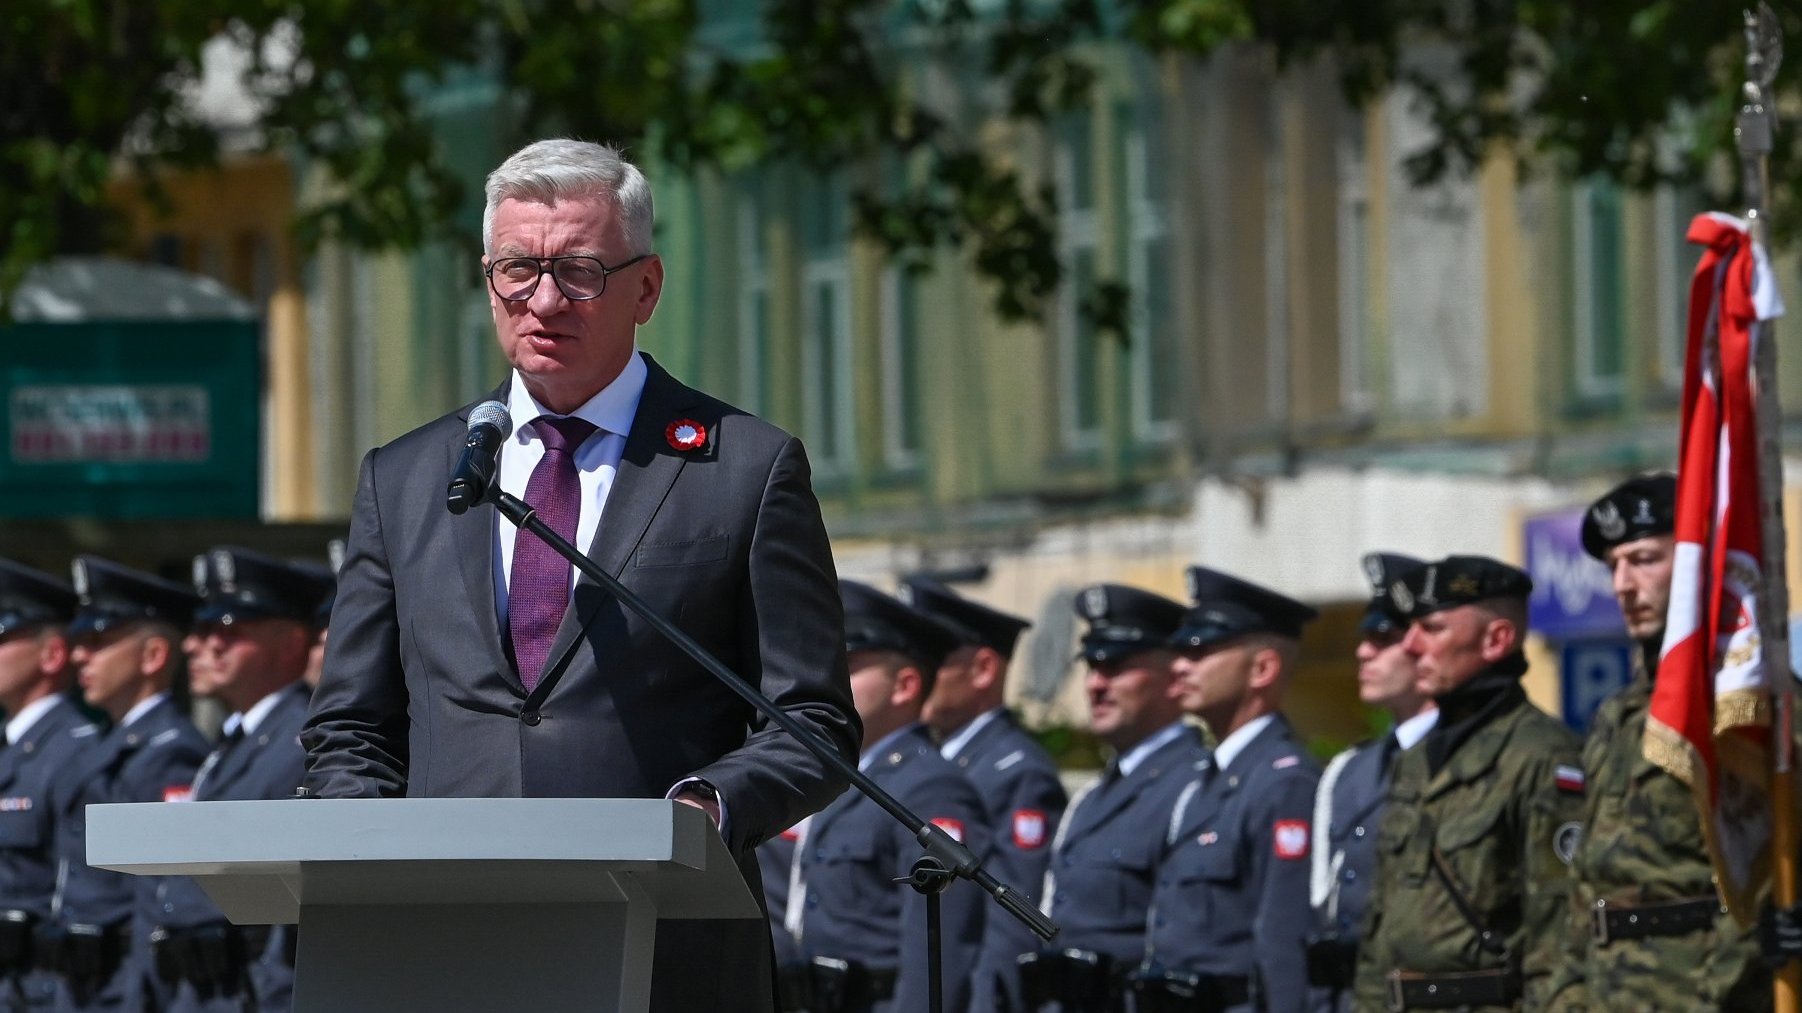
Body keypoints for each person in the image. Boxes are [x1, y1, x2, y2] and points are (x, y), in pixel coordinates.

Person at [299, 137, 860, 1013]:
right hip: (440, 944)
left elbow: (812, 719)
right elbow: (350, 728)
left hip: (664, 946)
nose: (545, 300)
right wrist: (372, 843)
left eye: (582, 272)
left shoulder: (743, 468)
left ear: (647, 286)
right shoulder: (406, 476)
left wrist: (708, 809)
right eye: (516, 269)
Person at [1549, 474, 1766, 1009]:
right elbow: (1588, 877)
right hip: (1608, 994)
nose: (1623, 584)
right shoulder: (1615, 718)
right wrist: (1568, 994)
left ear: (1697, 564)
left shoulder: (1747, 705)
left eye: (1644, 560)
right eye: (1613, 566)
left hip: (1705, 990)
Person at [1353, 555, 1584, 1011]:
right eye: (1411, 628)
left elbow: (1561, 940)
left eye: (1433, 629)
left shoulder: (1540, 756)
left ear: (1496, 639)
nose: (1412, 645)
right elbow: (1381, 930)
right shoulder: (1416, 761)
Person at [791, 581, 989, 1013]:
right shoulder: (853, 775)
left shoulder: (930, 788)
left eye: (851, 665)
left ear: (904, 686)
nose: (831, 678)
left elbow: (938, 949)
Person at [153, 548, 334, 1013]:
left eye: (227, 630)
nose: (199, 644)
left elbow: (298, 903)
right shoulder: (235, 739)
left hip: (254, 992)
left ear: (291, 643)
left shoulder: (305, 743)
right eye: (201, 629)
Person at [1138, 566, 1321, 1013]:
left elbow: (1283, 943)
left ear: (1262, 668)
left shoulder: (1284, 782)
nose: (1180, 665)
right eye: (1180, 650)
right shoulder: (1203, 777)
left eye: (1201, 651)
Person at [1022, 584, 1206, 1013]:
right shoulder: (1090, 797)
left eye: (1117, 666)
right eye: (1091, 666)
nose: (1096, 684)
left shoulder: (1192, 786)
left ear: (1174, 676)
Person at [900, 576, 1067, 1013]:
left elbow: (1014, 917)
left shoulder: (1018, 771)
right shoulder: (935, 761)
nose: (919, 672)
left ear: (983, 670)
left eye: (935, 660)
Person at [50, 557, 209, 1011]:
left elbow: (158, 896)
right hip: (82, 983)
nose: (79, 654)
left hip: (122, 986)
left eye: (98, 642)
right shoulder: (109, 744)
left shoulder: (170, 751)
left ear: (153, 656)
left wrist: (136, 996)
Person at [1306, 553, 1436, 1011]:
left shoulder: (1463, 760)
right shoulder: (1348, 771)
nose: (1363, 651)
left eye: (1384, 638)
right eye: (1365, 637)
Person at [0, 560, 100, 1010]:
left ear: (52, 655)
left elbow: (80, 899)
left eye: (2, 637)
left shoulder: (73, 752)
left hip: (40, 989)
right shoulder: (14, 747)